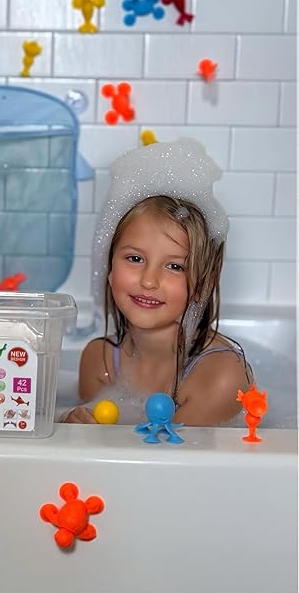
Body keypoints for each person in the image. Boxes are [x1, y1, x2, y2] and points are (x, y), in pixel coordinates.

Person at [62, 138, 253, 426]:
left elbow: (171, 455)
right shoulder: (99, 361)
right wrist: (75, 426)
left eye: (175, 266)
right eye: (135, 258)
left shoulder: (220, 376)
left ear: (203, 283)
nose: (149, 281)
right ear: (109, 266)